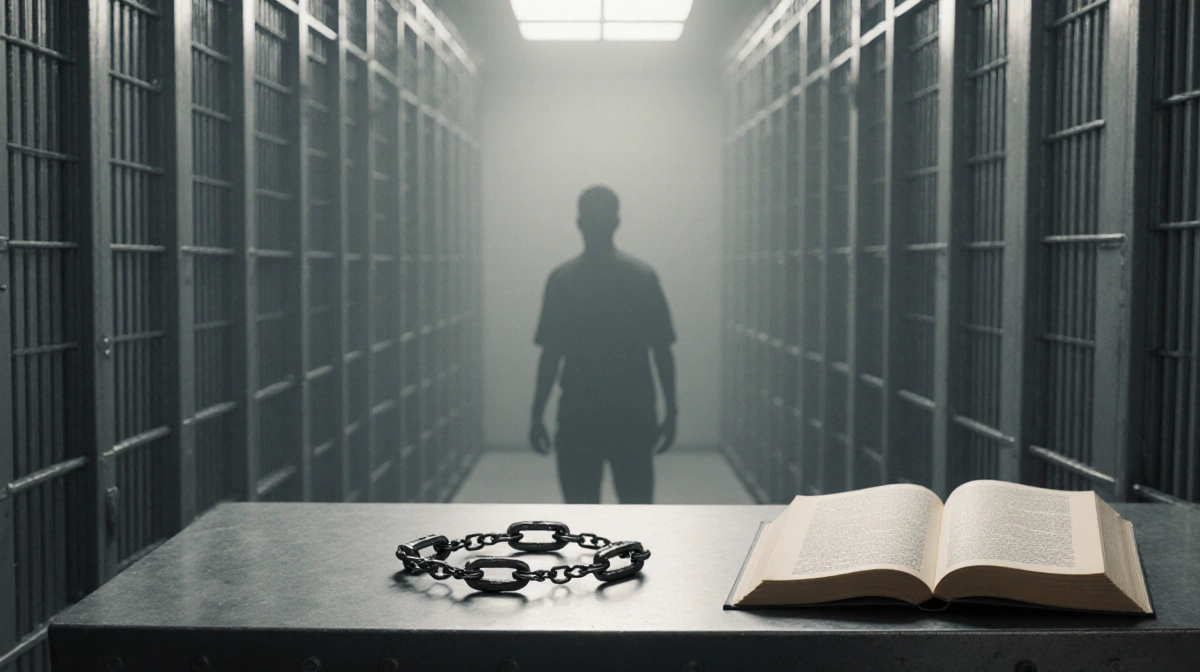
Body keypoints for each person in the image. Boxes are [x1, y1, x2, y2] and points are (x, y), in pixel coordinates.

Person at [529, 185, 678, 504]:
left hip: (579, 413)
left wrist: (536, 414)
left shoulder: (562, 280)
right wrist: (672, 411)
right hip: (633, 411)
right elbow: (662, 351)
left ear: (578, 222)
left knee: (581, 518)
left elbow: (551, 356)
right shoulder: (641, 276)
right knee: (636, 516)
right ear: (617, 222)